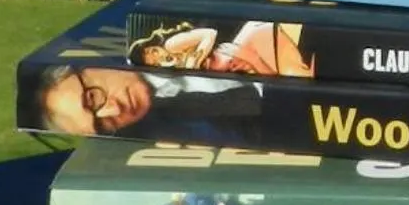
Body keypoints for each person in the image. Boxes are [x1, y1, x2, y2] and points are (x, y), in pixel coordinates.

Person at [28, 63, 262, 137]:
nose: (114, 110)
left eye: (93, 98)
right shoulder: (187, 127)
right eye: (101, 126)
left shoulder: (166, 26)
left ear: (89, 65)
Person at [129, 18, 315, 79]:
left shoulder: (172, 45)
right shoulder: (179, 77)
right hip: (252, 61)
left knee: (298, 76)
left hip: (254, 42)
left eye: (153, 50)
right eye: (153, 62)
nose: (158, 56)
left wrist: (196, 58)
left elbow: (209, 33)